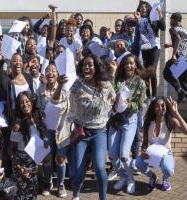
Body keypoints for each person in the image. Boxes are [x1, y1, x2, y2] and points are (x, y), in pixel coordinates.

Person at [64, 54, 115, 200]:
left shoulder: (106, 86)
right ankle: (75, 195)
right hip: (82, 132)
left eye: (90, 65)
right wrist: (69, 126)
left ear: (96, 67)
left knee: (100, 168)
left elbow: (113, 102)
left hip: (99, 131)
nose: (87, 67)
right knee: (79, 172)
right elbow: (71, 107)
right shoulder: (77, 85)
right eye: (85, 65)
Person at [108, 54, 146, 194]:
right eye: (126, 64)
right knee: (112, 154)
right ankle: (122, 176)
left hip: (129, 121)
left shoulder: (140, 83)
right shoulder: (118, 79)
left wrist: (128, 103)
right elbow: (110, 93)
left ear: (135, 65)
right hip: (115, 120)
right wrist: (112, 73)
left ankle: (130, 179)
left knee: (124, 155)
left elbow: (139, 105)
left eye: (131, 63)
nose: (128, 66)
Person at [135, 96, 187, 191]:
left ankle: (166, 178)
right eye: (157, 106)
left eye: (163, 105)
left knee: (168, 169)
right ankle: (153, 177)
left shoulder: (170, 121)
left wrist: (176, 113)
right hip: (152, 153)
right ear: (153, 108)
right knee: (138, 162)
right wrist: (143, 151)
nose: (160, 108)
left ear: (166, 107)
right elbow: (144, 142)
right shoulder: (148, 122)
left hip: (166, 154)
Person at [0, 53, 34, 176]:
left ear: (23, 64)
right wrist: (1, 60)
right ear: (11, 64)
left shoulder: (28, 77)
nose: (17, 63)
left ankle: (30, 173)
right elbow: (0, 75)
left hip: (28, 117)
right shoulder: (8, 79)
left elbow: (32, 96)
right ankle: (13, 174)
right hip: (14, 120)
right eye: (14, 61)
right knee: (13, 147)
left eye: (19, 61)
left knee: (28, 145)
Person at [37, 63, 70, 197]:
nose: (50, 73)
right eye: (48, 70)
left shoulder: (65, 90)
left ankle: (61, 184)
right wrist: (42, 127)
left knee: (60, 158)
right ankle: (47, 182)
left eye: (53, 70)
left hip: (61, 130)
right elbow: (38, 110)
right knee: (47, 158)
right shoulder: (40, 90)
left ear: (58, 74)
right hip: (46, 129)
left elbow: (66, 109)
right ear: (44, 74)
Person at [8, 91, 48, 200]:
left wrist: (45, 141)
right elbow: (10, 150)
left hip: (34, 165)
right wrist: (18, 167)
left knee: (32, 195)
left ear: (32, 101)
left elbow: (44, 132)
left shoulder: (38, 117)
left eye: (27, 101)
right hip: (21, 166)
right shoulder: (17, 126)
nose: (25, 104)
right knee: (21, 196)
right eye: (21, 102)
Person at [163, 12, 187, 122]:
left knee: (166, 73)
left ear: (174, 20)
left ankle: (179, 90)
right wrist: (170, 45)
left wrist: (174, 54)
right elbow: (183, 42)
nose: (170, 22)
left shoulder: (173, 29)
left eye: (170, 20)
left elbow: (178, 40)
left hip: (181, 59)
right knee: (184, 84)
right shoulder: (185, 30)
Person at [134, 1, 165, 99]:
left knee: (152, 70)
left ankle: (154, 96)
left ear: (148, 9)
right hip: (143, 49)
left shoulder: (152, 18)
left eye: (145, 6)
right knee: (145, 72)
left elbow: (163, 27)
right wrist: (137, 20)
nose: (143, 8)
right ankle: (148, 97)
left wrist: (160, 13)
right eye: (141, 7)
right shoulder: (137, 19)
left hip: (154, 48)